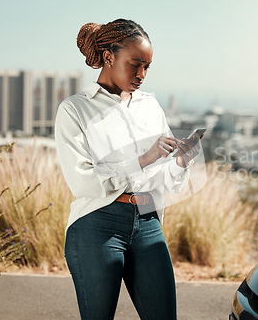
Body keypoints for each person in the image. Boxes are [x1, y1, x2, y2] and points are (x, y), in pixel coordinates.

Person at [54, 18, 199, 320]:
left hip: (148, 219)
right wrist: (142, 160)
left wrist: (181, 162)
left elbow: (167, 180)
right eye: (136, 65)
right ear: (109, 57)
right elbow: (83, 182)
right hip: (97, 224)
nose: (142, 75)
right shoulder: (75, 109)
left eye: (147, 66)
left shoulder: (150, 106)